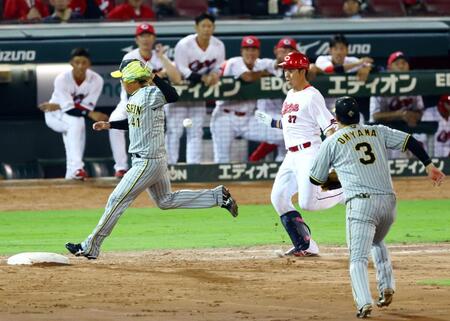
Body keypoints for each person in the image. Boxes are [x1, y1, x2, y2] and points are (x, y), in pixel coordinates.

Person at [65, 60, 238, 259]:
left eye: (123, 78)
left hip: (147, 161)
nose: (121, 81)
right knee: (165, 200)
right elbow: (133, 123)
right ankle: (218, 196)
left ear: (132, 80)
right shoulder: (135, 97)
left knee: (116, 200)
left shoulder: (149, 93)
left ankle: (90, 246)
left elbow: (173, 95)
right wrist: (109, 125)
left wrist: (153, 76)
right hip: (152, 160)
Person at [309, 96, 445, 318]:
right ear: (358, 115)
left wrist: (339, 176)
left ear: (336, 118)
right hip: (389, 204)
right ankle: (387, 286)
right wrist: (429, 165)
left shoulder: (332, 141)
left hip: (362, 205)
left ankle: (363, 303)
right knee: (377, 240)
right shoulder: (377, 130)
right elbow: (411, 141)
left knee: (357, 259)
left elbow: (316, 179)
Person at [255, 51, 344, 257]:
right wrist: (272, 122)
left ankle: (342, 186)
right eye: (285, 69)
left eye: (291, 69)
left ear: (303, 71)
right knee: (278, 197)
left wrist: (336, 155)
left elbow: (330, 127)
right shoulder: (291, 95)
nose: (286, 73)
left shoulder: (312, 95)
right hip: (291, 156)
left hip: (309, 153)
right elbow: (291, 124)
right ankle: (306, 245)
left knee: (308, 203)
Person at [109, 22, 182, 178]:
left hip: (156, 101)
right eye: (142, 36)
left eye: (148, 35)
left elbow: (177, 79)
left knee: (170, 126)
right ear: (137, 39)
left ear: (154, 38)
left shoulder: (161, 56)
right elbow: (129, 87)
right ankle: (121, 167)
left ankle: (169, 165)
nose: (145, 39)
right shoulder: (129, 57)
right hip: (130, 100)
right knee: (114, 120)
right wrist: (155, 77)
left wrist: (162, 58)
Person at [210, 35, 284, 163]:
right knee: (222, 160)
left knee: (284, 132)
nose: (250, 52)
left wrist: (282, 56)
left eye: (254, 49)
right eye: (247, 49)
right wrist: (264, 73)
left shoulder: (261, 63)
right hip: (225, 117)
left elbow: (276, 65)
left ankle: (282, 163)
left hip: (249, 119)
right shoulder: (235, 62)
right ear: (241, 51)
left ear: (258, 52)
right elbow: (248, 77)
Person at [38, 48, 108, 180]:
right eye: (77, 62)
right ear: (71, 63)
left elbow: (82, 108)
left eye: (84, 62)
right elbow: (73, 110)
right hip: (54, 115)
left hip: (63, 110)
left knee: (77, 124)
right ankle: (77, 168)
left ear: (89, 64)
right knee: (77, 122)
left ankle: (73, 173)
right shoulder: (62, 79)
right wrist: (90, 114)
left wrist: (62, 105)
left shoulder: (96, 80)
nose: (80, 66)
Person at [166, 12, 225, 164]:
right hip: (179, 94)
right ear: (196, 27)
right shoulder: (184, 44)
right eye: (203, 26)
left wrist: (214, 75)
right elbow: (182, 69)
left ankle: (194, 166)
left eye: (209, 26)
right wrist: (203, 78)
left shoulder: (218, 45)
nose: (206, 29)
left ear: (214, 27)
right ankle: (169, 167)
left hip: (198, 95)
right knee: (174, 131)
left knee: (196, 131)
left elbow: (219, 67)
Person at [249, 37, 299, 162]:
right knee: (288, 131)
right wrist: (261, 74)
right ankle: (254, 159)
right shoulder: (262, 64)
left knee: (285, 155)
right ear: (275, 50)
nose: (286, 53)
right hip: (261, 116)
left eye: (290, 50)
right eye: (283, 49)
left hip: (282, 117)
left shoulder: (297, 72)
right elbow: (246, 68)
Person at [369, 51, 424, 158]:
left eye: (404, 63)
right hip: (382, 137)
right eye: (397, 63)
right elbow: (375, 115)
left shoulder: (414, 84)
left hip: (406, 134)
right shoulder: (380, 85)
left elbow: (420, 111)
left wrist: (414, 116)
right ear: (389, 68)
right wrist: (399, 115)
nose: (401, 66)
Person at [315, 34, 373, 114]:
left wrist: (366, 68)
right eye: (335, 49)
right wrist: (359, 63)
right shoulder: (322, 59)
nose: (339, 52)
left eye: (342, 48)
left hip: (345, 108)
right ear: (330, 50)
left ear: (347, 50)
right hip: (324, 108)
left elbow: (373, 66)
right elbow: (331, 70)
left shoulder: (352, 61)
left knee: (360, 119)